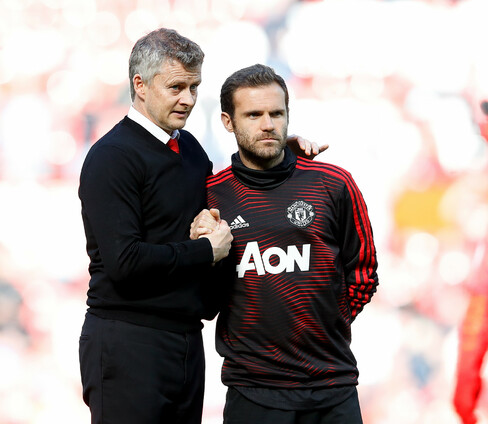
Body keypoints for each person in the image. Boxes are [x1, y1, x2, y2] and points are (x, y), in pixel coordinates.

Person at [78, 29, 323, 424]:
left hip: (187, 341)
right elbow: (125, 262)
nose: (188, 99)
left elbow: (228, 197)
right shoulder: (112, 157)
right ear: (140, 85)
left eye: (194, 87)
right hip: (128, 340)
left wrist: (276, 152)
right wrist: (204, 251)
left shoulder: (189, 148)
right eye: (176, 87)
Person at [191, 64, 379, 424]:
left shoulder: (333, 184)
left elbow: (364, 272)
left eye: (276, 114)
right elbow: (203, 297)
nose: (267, 124)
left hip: (332, 386)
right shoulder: (211, 196)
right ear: (228, 122)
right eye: (254, 115)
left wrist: (328, 323)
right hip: (253, 390)